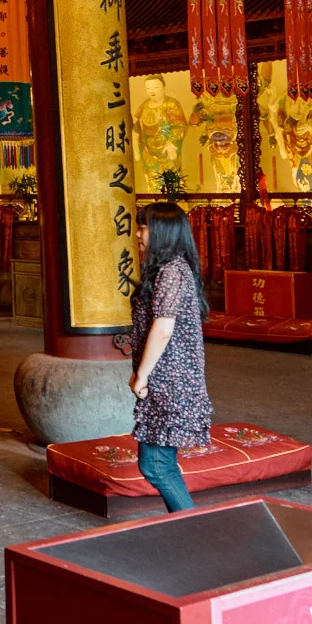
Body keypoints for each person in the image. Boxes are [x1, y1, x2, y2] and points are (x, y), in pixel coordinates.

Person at [128, 204, 214, 514]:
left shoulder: (171, 271)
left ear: (163, 233)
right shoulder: (170, 269)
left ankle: (191, 529)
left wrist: (142, 374)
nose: (138, 233)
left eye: (144, 228)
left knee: (156, 466)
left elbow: (163, 328)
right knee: (160, 464)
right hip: (168, 380)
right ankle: (186, 527)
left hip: (171, 382)